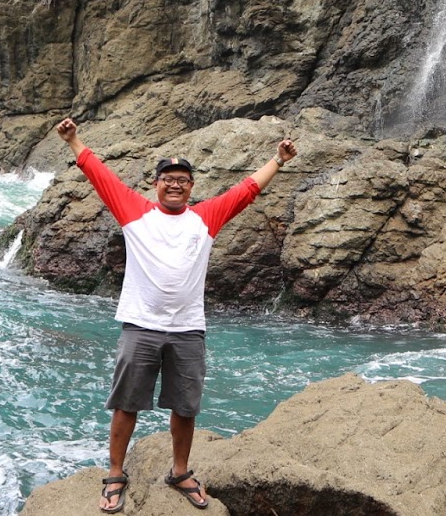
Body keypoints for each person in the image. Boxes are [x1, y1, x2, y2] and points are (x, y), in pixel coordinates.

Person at [54, 117, 297, 513]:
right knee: (126, 403)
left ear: (191, 187)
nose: (175, 183)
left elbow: (247, 190)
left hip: (188, 329)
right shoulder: (134, 211)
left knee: (185, 407)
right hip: (140, 326)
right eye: (168, 177)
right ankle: (115, 473)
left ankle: (180, 471)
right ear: (156, 184)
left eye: (182, 178)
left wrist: (278, 159)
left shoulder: (206, 217)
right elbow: (101, 176)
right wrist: (73, 140)